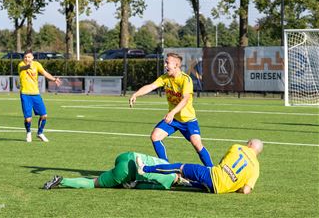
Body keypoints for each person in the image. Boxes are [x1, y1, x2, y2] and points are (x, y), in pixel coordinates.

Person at [129, 52, 213, 166]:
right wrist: (136, 94)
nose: (165, 65)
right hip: (173, 119)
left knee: (197, 144)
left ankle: (212, 171)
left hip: (188, 120)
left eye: (167, 63)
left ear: (176, 65)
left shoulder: (185, 79)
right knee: (155, 137)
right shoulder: (165, 78)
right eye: (165, 62)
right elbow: (151, 86)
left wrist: (172, 112)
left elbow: (185, 99)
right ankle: (167, 168)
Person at [137, 138, 264, 194]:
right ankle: (183, 181)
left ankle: (144, 169)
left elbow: (222, 163)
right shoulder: (256, 168)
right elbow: (246, 190)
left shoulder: (237, 147)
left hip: (212, 176)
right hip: (219, 190)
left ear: (250, 144)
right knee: (187, 181)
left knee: (179, 167)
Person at [43, 151, 185, 190]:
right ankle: (62, 181)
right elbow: (142, 185)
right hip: (127, 172)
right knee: (94, 183)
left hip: (128, 155)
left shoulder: (168, 163)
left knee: (111, 175)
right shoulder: (167, 184)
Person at [18, 49, 61, 143]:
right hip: (25, 94)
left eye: (29, 57)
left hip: (36, 94)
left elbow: (44, 73)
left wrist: (54, 79)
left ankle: (40, 133)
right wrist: (28, 66)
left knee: (44, 115)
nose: (27, 58)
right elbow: (23, 68)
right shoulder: (21, 64)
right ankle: (28, 132)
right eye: (25, 57)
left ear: (32, 57)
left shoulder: (37, 64)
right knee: (28, 118)